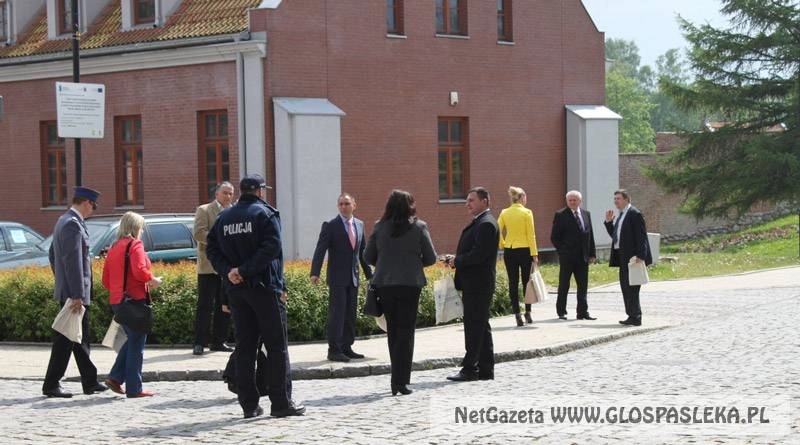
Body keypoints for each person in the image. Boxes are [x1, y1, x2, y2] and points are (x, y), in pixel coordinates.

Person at [206, 173, 304, 419]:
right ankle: (281, 403)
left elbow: (212, 249)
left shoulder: (224, 217)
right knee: (276, 346)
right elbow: (272, 248)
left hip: (237, 291)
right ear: (260, 191)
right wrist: (244, 270)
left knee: (245, 347)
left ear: (241, 191)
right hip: (264, 288)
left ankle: (249, 405)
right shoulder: (265, 214)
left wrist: (229, 271)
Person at [364, 190, 437, 396]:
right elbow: (431, 258)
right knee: (406, 332)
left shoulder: (379, 227)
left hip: (385, 283)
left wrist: (385, 262)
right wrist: (413, 263)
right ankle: (401, 381)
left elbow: (368, 256)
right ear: (410, 206)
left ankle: (396, 380)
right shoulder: (419, 227)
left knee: (393, 331)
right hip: (410, 283)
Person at [42, 186, 108, 398]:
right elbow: (73, 262)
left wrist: (61, 280)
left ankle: (90, 381)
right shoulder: (72, 223)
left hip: (71, 290)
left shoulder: (64, 220)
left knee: (80, 339)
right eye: (93, 206)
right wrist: (77, 293)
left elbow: (53, 255)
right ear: (86, 202)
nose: (93, 210)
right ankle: (51, 384)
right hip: (75, 294)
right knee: (65, 340)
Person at [101, 212, 162, 398]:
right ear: (137, 228)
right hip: (134, 300)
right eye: (141, 227)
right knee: (137, 344)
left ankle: (115, 378)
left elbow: (105, 280)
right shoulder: (135, 245)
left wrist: (119, 289)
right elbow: (139, 271)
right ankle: (134, 388)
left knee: (132, 340)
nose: (142, 231)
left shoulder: (113, 247)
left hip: (118, 301)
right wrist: (153, 280)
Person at [444, 187, 499, 382]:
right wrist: (456, 259)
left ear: (485, 201)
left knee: (474, 327)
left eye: (471, 200)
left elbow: (479, 255)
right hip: (475, 282)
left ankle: (470, 369)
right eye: (467, 200)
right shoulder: (480, 221)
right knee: (481, 326)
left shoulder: (486, 224)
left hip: (478, 284)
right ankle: (485, 369)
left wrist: (457, 261)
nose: (467, 204)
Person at [310, 193, 373, 362]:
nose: (344, 207)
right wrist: (315, 272)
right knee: (337, 315)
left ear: (354, 205)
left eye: (347, 203)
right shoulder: (330, 225)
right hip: (337, 278)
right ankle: (334, 350)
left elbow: (362, 252)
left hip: (353, 277)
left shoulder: (359, 224)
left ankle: (346, 347)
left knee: (350, 314)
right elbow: (320, 249)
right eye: (341, 204)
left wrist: (370, 275)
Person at [192, 181, 235, 355]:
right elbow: (198, 233)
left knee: (224, 305)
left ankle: (219, 341)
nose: (228, 196)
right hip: (208, 267)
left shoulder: (234, 211)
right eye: (225, 193)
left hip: (226, 267)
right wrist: (219, 239)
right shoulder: (204, 210)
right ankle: (199, 343)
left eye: (231, 193)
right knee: (205, 305)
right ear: (217, 194)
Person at [603, 189, 652, 326]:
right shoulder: (621, 215)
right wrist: (609, 223)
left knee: (633, 287)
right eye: (615, 199)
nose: (615, 201)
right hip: (622, 256)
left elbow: (641, 236)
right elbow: (616, 236)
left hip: (633, 258)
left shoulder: (634, 213)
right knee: (625, 286)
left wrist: (641, 255)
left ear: (626, 199)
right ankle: (631, 315)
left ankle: (636, 316)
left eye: (618, 198)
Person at [551, 190, 597, 320]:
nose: (572, 202)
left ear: (580, 201)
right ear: (567, 201)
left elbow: (590, 235)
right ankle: (561, 311)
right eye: (570, 200)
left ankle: (582, 312)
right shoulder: (560, 215)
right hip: (567, 257)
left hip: (583, 257)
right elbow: (554, 237)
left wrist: (592, 253)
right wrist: (563, 251)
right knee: (564, 285)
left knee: (583, 286)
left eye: (574, 200)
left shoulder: (586, 214)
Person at [497, 186, 538, 326]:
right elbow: (531, 234)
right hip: (525, 250)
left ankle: (517, 314)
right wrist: (534, 253)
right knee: (527, 282)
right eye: (525, 197)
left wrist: (502, 244)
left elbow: (497, 229)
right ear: (521, 198)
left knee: (513, 282)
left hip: (510, 249)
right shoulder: (527, 212)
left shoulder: (504, 212)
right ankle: (528, 312)